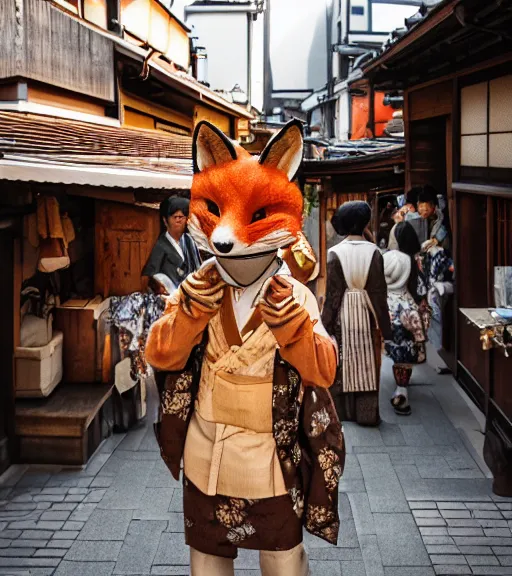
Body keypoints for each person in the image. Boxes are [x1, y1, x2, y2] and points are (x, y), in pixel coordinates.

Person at [146, 119, 343, 576]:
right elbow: (159, 354)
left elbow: (323, 371)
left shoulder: (293, 296)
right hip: (205, 451)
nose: (225, 238)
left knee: (282, 561)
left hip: (270, 457)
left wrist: (293, 329)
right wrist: (191, 314)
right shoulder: (197, 288)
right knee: (207, 562)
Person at [321, 201, 392, 426]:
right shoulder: (375, 252)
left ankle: (342, 413)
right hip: (367, 312)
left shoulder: (334, 253)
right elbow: (379, 293)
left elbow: (332, 295)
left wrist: (325, 326)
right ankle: (367, 414)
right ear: (365, 223)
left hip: (343, 312)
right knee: (368, 364)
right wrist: (386, 327)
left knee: (342, 362)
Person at [383, 222, 430, 415]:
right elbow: (419, 289)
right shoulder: (412, 261)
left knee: (393, 350)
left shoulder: (385, 257)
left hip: (387, 308)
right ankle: (401, 390)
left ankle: (399, 389)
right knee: (405, 354)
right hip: (407, 310)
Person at [141, 197, 201, 295]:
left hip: (192, 293)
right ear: (165, 221)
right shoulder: (161, 245)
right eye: (174, 217)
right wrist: (160, 287)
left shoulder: (189, 240)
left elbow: (199, 269)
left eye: (181, 217)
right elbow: (148, 276)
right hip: (170, 297)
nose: (178, 220)